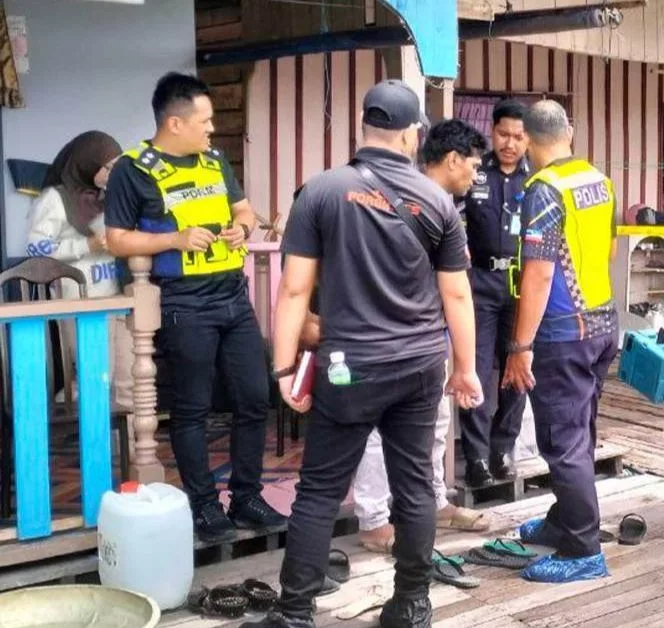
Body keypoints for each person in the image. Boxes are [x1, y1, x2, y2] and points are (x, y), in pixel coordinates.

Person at [254, 80, 483, 628]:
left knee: (319, 491)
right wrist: (467, 369)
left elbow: (292, 290)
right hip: (421, 365)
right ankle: (410, 603)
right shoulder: (438, 202)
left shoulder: (321, 191)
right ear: (411, 134)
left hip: (349, 367)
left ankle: (294, 613)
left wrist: (284, 366)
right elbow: (456, 293)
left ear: (364, 126)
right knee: (417, 485)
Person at [105, 73, 284, 542]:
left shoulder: (215, 161)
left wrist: (241, 230)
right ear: (175, 122)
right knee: (193, 408)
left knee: (254, 396)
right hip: (184, 301)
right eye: (205, 121)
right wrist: (175, 238)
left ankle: (246, 497)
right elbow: (117, 238)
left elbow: (244, 210)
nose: (211, 129)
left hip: (232, 295)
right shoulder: (133, 169)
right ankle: (204, 507)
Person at [350, 119, 494, 553]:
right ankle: (374, 520)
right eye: (472, 164)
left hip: (430, 334)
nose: (475, 173)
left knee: (434, 424)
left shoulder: (446, 204)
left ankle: (433, 502)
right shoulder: (397, 196)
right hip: (385, 334)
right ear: (451, 160)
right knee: (377, 429)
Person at [501, 100, 619, 584]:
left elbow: (539, 272)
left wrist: (519, 346)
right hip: (602, 322)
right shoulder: (598, 180)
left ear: (528, 140)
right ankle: (566, 519)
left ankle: (582, 549)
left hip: (561, 332)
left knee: (562, 440)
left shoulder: (545, 190)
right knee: (581, 433)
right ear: (569, 131)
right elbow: (608, 247)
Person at [28, 130, 134, 411]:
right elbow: (35, 248)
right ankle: (78, 429)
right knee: (98, 375)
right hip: (77, 301)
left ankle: (130, 450)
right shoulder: (55, 198)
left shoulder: (109, 196)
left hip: (116, 297)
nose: (114, 173)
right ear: (87, 164)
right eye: (108, 167)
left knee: (128, 377)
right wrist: (86, 244)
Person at [459, 99, 531, 488]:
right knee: (475, 369)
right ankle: (475, 457)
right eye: (504, 134)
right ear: (493, 131)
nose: (510, 143)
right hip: (479, 283)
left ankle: (502, 449)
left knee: (516, 369)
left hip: (521, 287)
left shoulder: (535, 178)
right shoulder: (475, 173)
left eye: (519, 137)